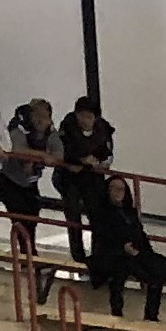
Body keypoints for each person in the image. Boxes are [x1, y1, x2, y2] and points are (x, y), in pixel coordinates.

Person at [82, 171, 166, 316]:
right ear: (107, 191)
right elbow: (102, 236)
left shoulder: (130, 213)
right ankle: (117, 310)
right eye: (114, 188)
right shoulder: (101, 213)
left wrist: (144, 253)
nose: (118, 192)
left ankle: (151, 313)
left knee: (162, 267)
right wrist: (122, 248)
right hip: (111, 254)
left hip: (134, 253)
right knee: (121, 267)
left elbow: (141, 236)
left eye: (121, 189)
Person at [52, 96, 112, 263]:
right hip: (70, 177)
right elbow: (62, 152)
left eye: (89, 116)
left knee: (98, 216)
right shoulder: (67, 127)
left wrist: (98, 162)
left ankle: (97, 257)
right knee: (73, 216)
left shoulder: (104, 129)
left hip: (93, 178)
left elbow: (108, 153)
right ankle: (78, 258)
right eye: (82, 115)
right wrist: (79, 160)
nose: (85, 120)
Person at [0, 99, 50, 262]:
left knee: (32, 216)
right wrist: (41, 156)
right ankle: (27, 253)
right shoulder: (19, 128)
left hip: (30, 183)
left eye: (44, 116)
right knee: (19, 217)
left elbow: (58, 153)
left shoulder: (49, 133)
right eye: (37, 115)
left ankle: (29, 253)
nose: (40, 120)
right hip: (10, 180)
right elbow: (15, 148)